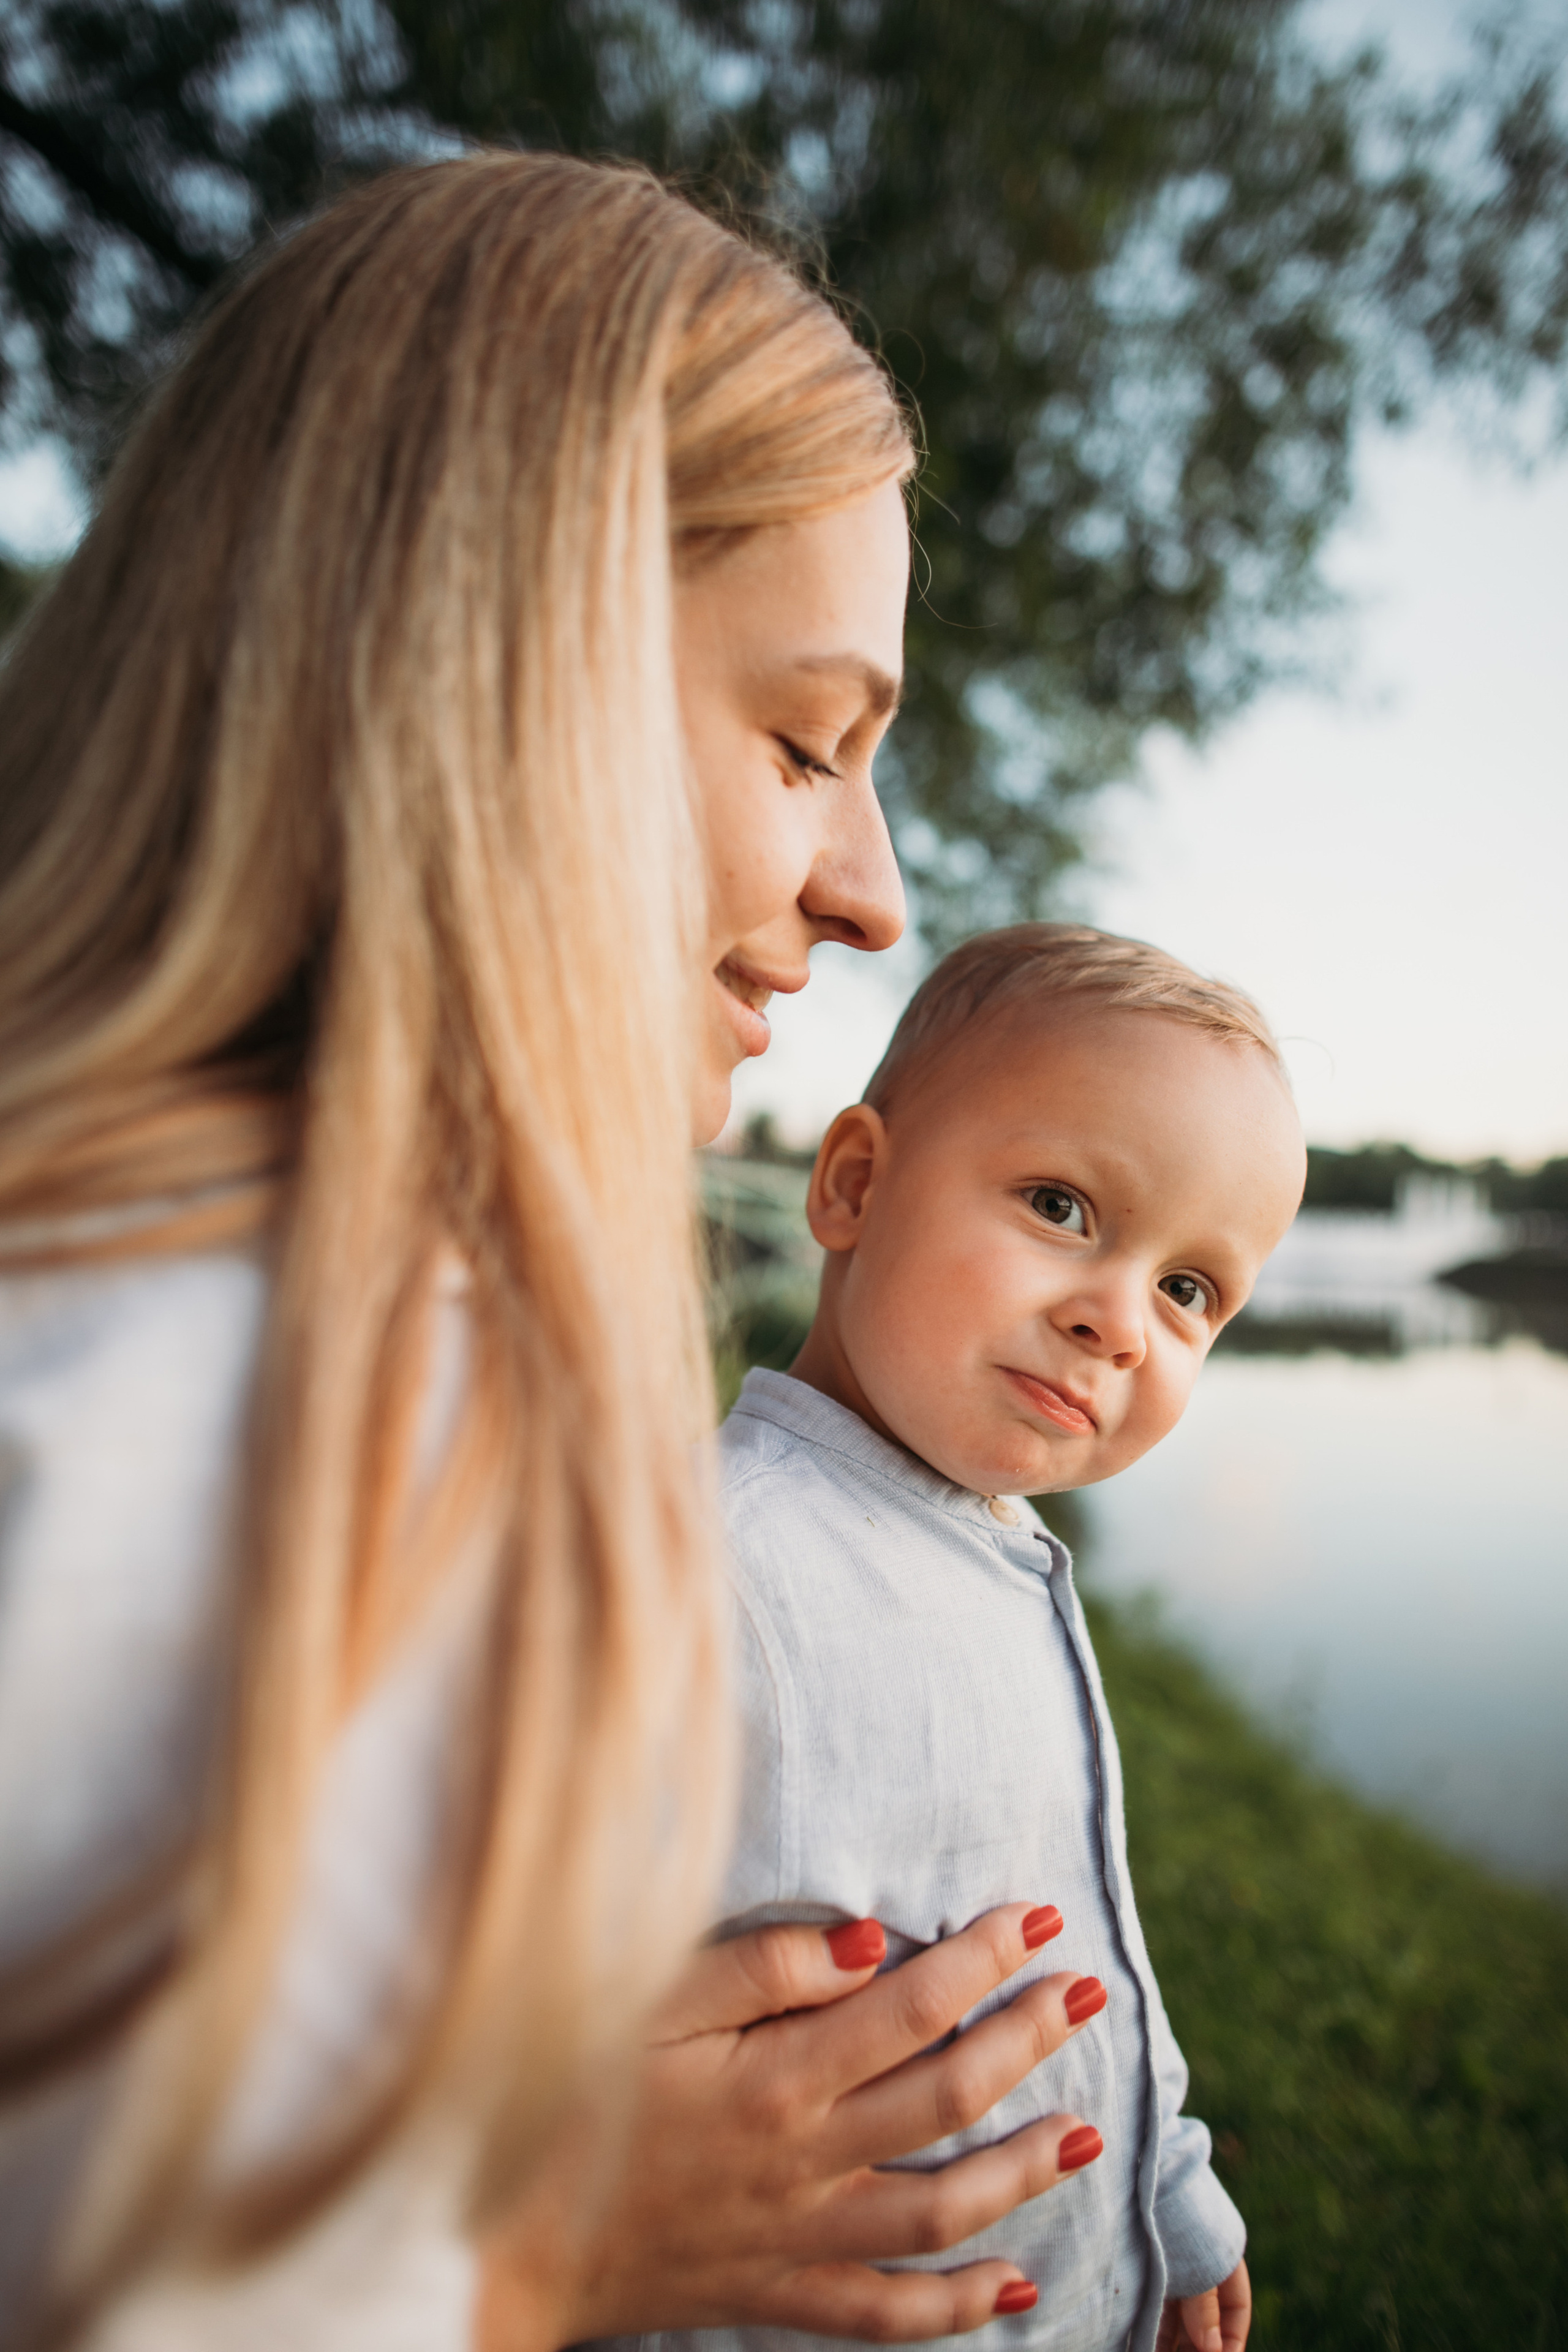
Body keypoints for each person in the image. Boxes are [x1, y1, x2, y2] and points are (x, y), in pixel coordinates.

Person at [0, 157, 1096, 2351]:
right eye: (808, 743)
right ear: (490, 663)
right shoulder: (181, 1400)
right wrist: (532, 2250)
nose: (876, 892)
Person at [620, 924, 1307, 2352]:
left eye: (1188, 1290)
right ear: (853, 1185)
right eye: (1060, 1206)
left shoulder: (997, 1556)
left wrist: (1166, 2194)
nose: (1119, 1323)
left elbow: (1079, 1925)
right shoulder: (701, 1559)